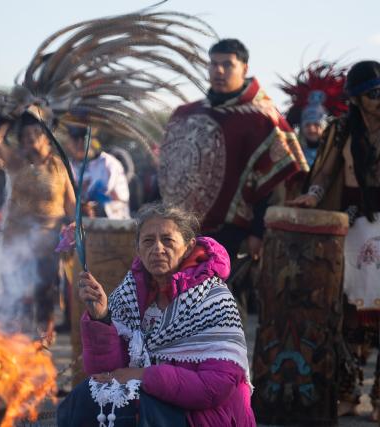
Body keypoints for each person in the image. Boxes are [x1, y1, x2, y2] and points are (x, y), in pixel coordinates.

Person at [57, 202, 254, 426]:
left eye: (168, 240)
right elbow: (107, 373)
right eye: (148, 241)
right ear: (138, 250)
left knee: (134, 407)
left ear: (189, 247)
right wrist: (101, 317)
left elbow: (216, 386)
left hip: (203, 414)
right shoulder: (129, 294)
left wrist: (141, 376)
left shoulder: (212, 299)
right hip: (149, 400)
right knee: (83, 398)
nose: (158, 249)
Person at [160, 39, 308, 261]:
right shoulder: (184, 114)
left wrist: (258, 232)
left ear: (244, 68)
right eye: (213, 63)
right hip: (179, 231)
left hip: (233, 235)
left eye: (228, 64)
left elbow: (275, 184)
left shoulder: (262, 119)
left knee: (222, 295)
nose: (218, 70)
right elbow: (167, 173)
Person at [289, 60, 380, 418]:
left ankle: (379, 399)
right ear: (357, 99)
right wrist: (313, 195)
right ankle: (347, 392)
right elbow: (324, 173)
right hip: (352, 226)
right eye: (374, 93)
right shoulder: (340, 130)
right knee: (349, 314)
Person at [0, 110, 76, 341]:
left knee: (45, 286)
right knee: (19, 287)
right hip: (18, 236)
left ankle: (44, 334)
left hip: (48, 238)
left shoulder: (59, 166)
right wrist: (11, 115)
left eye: (34, 134)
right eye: (25, 136)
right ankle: (21, 334)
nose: (28, 140)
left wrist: (76, 224)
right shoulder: (17, 162)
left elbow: (70, 202)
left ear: (46, 137)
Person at [279, 61, 349, 167]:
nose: (312, 129)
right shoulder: (292, 157)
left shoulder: (338, 155)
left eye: (317, 125)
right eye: (307, 125)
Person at [66, 125, 131, 219]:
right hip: (79, 228)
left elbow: (118, 201)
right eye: (72, 140)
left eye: (69, 141)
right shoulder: (69, 166)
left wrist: (96, 208)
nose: (68, 146)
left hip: (112, 227)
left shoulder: (109, 165)